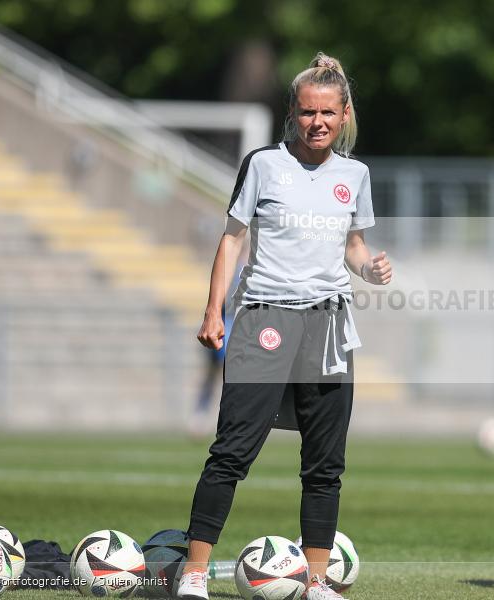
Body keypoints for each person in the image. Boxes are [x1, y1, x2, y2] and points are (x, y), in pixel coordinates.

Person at [175, 52, 392, 600]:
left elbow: (354, 248)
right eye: (306, 112)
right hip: (264, 321)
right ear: (292, 114)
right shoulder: (263, 164)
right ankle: (194, 574)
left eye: (327, 113)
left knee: (325, 463)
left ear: (344, 114)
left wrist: (372, 268)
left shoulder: (356, 175)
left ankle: (318, 583)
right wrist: (213, 310)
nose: (317, 122)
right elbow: (232, 238)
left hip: (330, 326)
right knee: (232, 450)